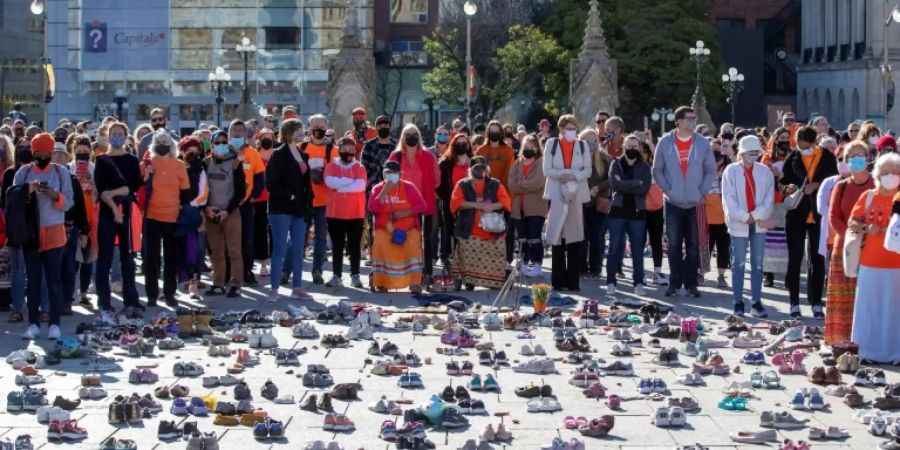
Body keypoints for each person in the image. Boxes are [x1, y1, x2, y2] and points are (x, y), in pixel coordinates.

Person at [12, 133, 73, 339]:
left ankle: (54, 323)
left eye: (46, 152)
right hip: (31, 233)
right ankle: (33, 323)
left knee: (54, 280)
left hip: (55, 231)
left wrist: (54, 194)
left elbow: (69, 202)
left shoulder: (61, 172)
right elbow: (11, 198)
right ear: (33, 152)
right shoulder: (24, 172)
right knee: (34, 280)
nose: (42, 156)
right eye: (38, 152)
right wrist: (28, 190)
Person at [651, 106, 716, 298]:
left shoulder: (703, 143)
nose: (692, 122)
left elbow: (711, 170)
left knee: (694, 246)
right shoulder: (665, 142)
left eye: (694, 118)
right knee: (673, 246)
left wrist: (701, 190)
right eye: (688, 118)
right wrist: (668, 189)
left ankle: (691, 283)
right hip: (673, 202)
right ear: (678, 121)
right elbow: (657, 169)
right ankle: (674, 283)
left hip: (695, 202)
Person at [779, 125, 839, 318]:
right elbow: (781, 182)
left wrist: (818, 185)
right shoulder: (793, 157)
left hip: (818, 215)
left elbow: (836, 182)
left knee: (817, 260)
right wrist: (786, 187)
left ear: (814, 143)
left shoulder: (828, 158)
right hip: (796, 213)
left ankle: (816, 303)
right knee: (795, 259)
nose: (802, 148)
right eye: (799, 145)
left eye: (805, 146)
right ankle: (793, 303)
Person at [849, 152, 900, 364]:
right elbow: (853, 222)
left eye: (896, 172)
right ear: (878, 174)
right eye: (887, 172)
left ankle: (895, 352)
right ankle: (867, 350)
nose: (892, 176)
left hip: (896, 264)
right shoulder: (868, 196)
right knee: (869, 309)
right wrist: (865, 228)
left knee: (894, 311)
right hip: (870, 263)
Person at [823, 141, 872, 344]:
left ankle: (867, 339)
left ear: (868, 159)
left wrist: (866, 237)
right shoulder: (840, 186)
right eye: (851, 157)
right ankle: (840, 340)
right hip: (844, 249)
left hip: (871, 250)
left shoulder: (877, 187)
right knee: (842, 298)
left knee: (867, 297)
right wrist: (851, 237)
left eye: (860, 155)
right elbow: (833, 217)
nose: (856, 160)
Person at [721, 136, 775, 318]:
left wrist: (756, 215)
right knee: (738, 263)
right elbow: (728, 199)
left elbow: (769, 199)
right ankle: (737, 301)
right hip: (738, 223)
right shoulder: (731, 171)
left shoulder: (765, 171)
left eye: (756, 152)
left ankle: (756, 302)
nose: (753, 155)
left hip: (758, 223)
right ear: (742, 153)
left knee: (758, 263)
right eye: (750, 152)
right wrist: (744, 216)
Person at [94, 122, 142, 312]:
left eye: (120, 133)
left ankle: (131, 300)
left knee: (127, 258)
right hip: (108, 211)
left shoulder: (131, 160)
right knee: (104, 257)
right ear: (108, 135)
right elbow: (102, 192)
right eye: (113, 133)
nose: (116, 136)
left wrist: (115, 194)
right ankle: (104, 302)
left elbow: (134, 185)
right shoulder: (101, 160)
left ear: (125, 136)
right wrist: (114, 210)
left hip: (127, 212)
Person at [265, 119, 314, 300]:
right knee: (279, 248)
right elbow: (270, 183)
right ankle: (274, 289)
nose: (301, 133)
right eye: (297, 130)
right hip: (281, 207)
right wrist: (290, 196)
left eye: (302, 130)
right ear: (288, 132)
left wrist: (306, 200)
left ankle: (298, 287)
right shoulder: (278, 154)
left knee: (298, 248)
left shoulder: (303, 153)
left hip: (300, 208)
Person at [141, 130, 189, 307]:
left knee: (171, 258)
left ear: (172, 145)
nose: (162, 144)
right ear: (154, 144)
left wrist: (181, 209)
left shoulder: (179, 165)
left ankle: (170, 294)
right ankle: (152, 295)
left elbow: (185, 192)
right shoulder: (148, 163)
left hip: (172, 217)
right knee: (151, 258)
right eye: (159, 141)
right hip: (152, 216)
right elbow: (139, 186)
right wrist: (146, 174)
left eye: (165, 141)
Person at [448, 155, 512, 289]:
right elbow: (455, 203)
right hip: (469, 229)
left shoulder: (496, 184)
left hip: (492, 230)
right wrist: (475, 205)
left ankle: (494, 282)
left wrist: (492, 206)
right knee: (467, 247)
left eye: (482, 167)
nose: (480, 170)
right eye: (476, 168)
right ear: (471, 169)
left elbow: (506, 202)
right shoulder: (462, 185)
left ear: (487, 169)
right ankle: (469, 281)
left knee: (497, 249)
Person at [387, 124, 440, 287]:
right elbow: (388, 179)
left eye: (414, 134)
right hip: (402, 206)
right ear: (402, 138)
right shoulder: (395, 157)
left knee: (426, 239)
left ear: (419, 137)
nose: (411, 137)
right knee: (405, 239)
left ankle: (428, 273)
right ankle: (405, 272)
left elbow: (437, 180)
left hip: (424, 204)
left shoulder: (428, 156)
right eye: (407, 134)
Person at [543, 115, 591, 292]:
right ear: (561, 129)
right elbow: (547, 169)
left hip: (576, 193)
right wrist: (563, 174)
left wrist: (574, 176)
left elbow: (587, 170)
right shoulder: (552, 144)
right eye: (569, 129)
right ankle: (557, 281)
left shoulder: (582, 145)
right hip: (556, 193)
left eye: (574, 129)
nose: (572, 132)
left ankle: (573, 282)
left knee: (574, 236)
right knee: (557, 236)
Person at [368, 161, 426, 292]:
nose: (391, 175)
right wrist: (385, 190)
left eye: (394, 173)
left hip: (408, 228)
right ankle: (382, 282)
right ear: (383, 174)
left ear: (400, 174)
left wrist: (404, 213)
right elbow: (373, 208)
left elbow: (422, 206)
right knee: (380, 243)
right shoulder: (377, 188)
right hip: (385, 229)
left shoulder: (409, 187)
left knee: (412, 244)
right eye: (387, 172)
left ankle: (415, 282)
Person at [606, 135, 651, 296]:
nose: (632, 149)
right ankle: (611, 281)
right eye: (629, 146)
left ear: (639, 148)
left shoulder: (644, 167)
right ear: (624, 146)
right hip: (617, 212)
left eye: (635, 146)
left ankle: (638, 282)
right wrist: (635, 183)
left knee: (637, 250)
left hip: (637, 213)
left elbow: (644, 188)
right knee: (614, 248)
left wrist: (625, 184)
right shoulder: (616, 163)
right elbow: (614, 184)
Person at [204, 130, 246, 298]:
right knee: (216, 251)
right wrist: (206, 207)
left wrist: (227, 211)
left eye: (223, 142)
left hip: (230, 212)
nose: (220, 145)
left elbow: (240, 190)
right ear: (212, 144)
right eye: (217, 142)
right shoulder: (206, 163)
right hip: (211, 212)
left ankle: (236, 284)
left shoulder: (235, 163)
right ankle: (218, 283)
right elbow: (201, 189)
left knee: (234, 251)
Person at [226, 120, 266, 288]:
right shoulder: (223, 151)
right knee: (227, 240)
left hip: (246, 204)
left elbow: (260, 178)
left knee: (246, 240)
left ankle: (247, 272)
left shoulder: (253, 153)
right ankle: (228, 272)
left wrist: (253, 197)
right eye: (234, 130)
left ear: (245, 134)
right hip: (226, 204)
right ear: (229, 133)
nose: (237, 133)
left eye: (240, 130)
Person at [323, 137, 367, 288]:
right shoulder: (331, 165)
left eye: (350, 149)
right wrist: (350, 182)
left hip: (355, 212)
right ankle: (337, 275)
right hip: (335, 212)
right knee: (337, 245)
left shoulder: (359, 167)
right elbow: (329, 182)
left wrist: (340, 186)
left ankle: (355, 275)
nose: (347, 152)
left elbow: (360, 185)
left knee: (354, 245)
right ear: (339, 150)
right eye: (344, 149)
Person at [54, 138, 88, 315]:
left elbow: (81, 208)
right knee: (53, 267)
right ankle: (54, 300)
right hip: (50, 227)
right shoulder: (43, 179)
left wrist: (84, 231)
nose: (58, 158)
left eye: (62, 155)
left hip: (70, 228)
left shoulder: (73, 179)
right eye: (55, 155)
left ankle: (67, 301)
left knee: (69, 266)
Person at [507, 135, 547, 277]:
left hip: (536, 208)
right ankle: (523, 263)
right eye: (526, 147)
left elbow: (537, 183)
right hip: (519, 208)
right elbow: (511, 185)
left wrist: (520, 185)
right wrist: (524, 186)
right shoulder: (516, 164)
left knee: (534, 237)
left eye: (531, 147)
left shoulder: (541, 163)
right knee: (522, 238)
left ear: (537, 148)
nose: (528, 149)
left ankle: (537, 264)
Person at [176, 136, 208, 300]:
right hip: (175, 213)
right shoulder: (175, 166)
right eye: (189, 151)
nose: (193, 154)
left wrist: (189, 206)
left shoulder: (201, 168)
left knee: (197, 248)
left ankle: (194, 282)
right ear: (182, 151)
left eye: (196, 152)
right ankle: (180, 280)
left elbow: (204, 194)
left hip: (195, 214)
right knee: (178, 248)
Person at [304, 114, 334, 285]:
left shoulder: (332, 150)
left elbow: (338, 171)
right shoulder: (302, 147)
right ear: (309, 128)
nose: (318, 131)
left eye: (322, 128)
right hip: (305, 200)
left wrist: (325, 175)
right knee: (298, 237)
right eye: (315, 127)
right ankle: (288, 271)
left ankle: (317, 270)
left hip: (324, 201)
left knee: (321, 237)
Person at [437, 133, 473, 266]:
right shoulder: (446, 164)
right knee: (448, 229)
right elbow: (439, 185)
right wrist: (448, 199)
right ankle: (446, 255)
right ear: (453, 145)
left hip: (471, 204)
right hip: (450, 202)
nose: (462, 145)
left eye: (464, 143)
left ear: (468, 145)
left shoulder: (474, 162)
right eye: (459, 143)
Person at [582, 128, 611, 278]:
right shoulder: (577, 158)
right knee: (582, 237)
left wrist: (598, 188)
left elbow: (612, 178)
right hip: (581, 203)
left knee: (596, 237)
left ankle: (596, 268)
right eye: (587, 139)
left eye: (593, 139)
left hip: (599, 203)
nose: (591, 142)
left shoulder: (605, 158)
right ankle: (581, 267)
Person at [705, 139, 731, 288]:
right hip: (706, 213)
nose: (714, 153)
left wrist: (729, 153)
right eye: (711, 150)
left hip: (724, 215)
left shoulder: (729, 167)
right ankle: (701, 272)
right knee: (705, 246)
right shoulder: (702, 167)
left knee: (723, 247)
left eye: (717, 150)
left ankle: (721, 275)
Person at [641, 141, 667, 285]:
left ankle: (657, 272)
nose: (643, 153)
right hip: (641, 208)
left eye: (645, 151)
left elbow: (659, 156)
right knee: (640, 242)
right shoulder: (637, 167)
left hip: (657, 208)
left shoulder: (656, 167)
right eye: (641, 151)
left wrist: (650, 143)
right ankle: (640, 272)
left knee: (656, 242)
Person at [253, 128, 275, 278]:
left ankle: (275, 262)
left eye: (270, 137)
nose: (267, 140)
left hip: (275, 199)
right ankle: (263, 264)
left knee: (275, 232)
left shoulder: (278, 155)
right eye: (264, 137)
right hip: (258, 199)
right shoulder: (254, 155)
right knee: (260, 231)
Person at [361, 115, 396, 194]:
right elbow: (363, 169)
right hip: (373, 190)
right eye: (380, 126)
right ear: (376, 128)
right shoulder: (368, 146)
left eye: (386, 125)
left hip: (393, 188)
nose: (383, 127)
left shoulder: (397, 146)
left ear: (390, 127)